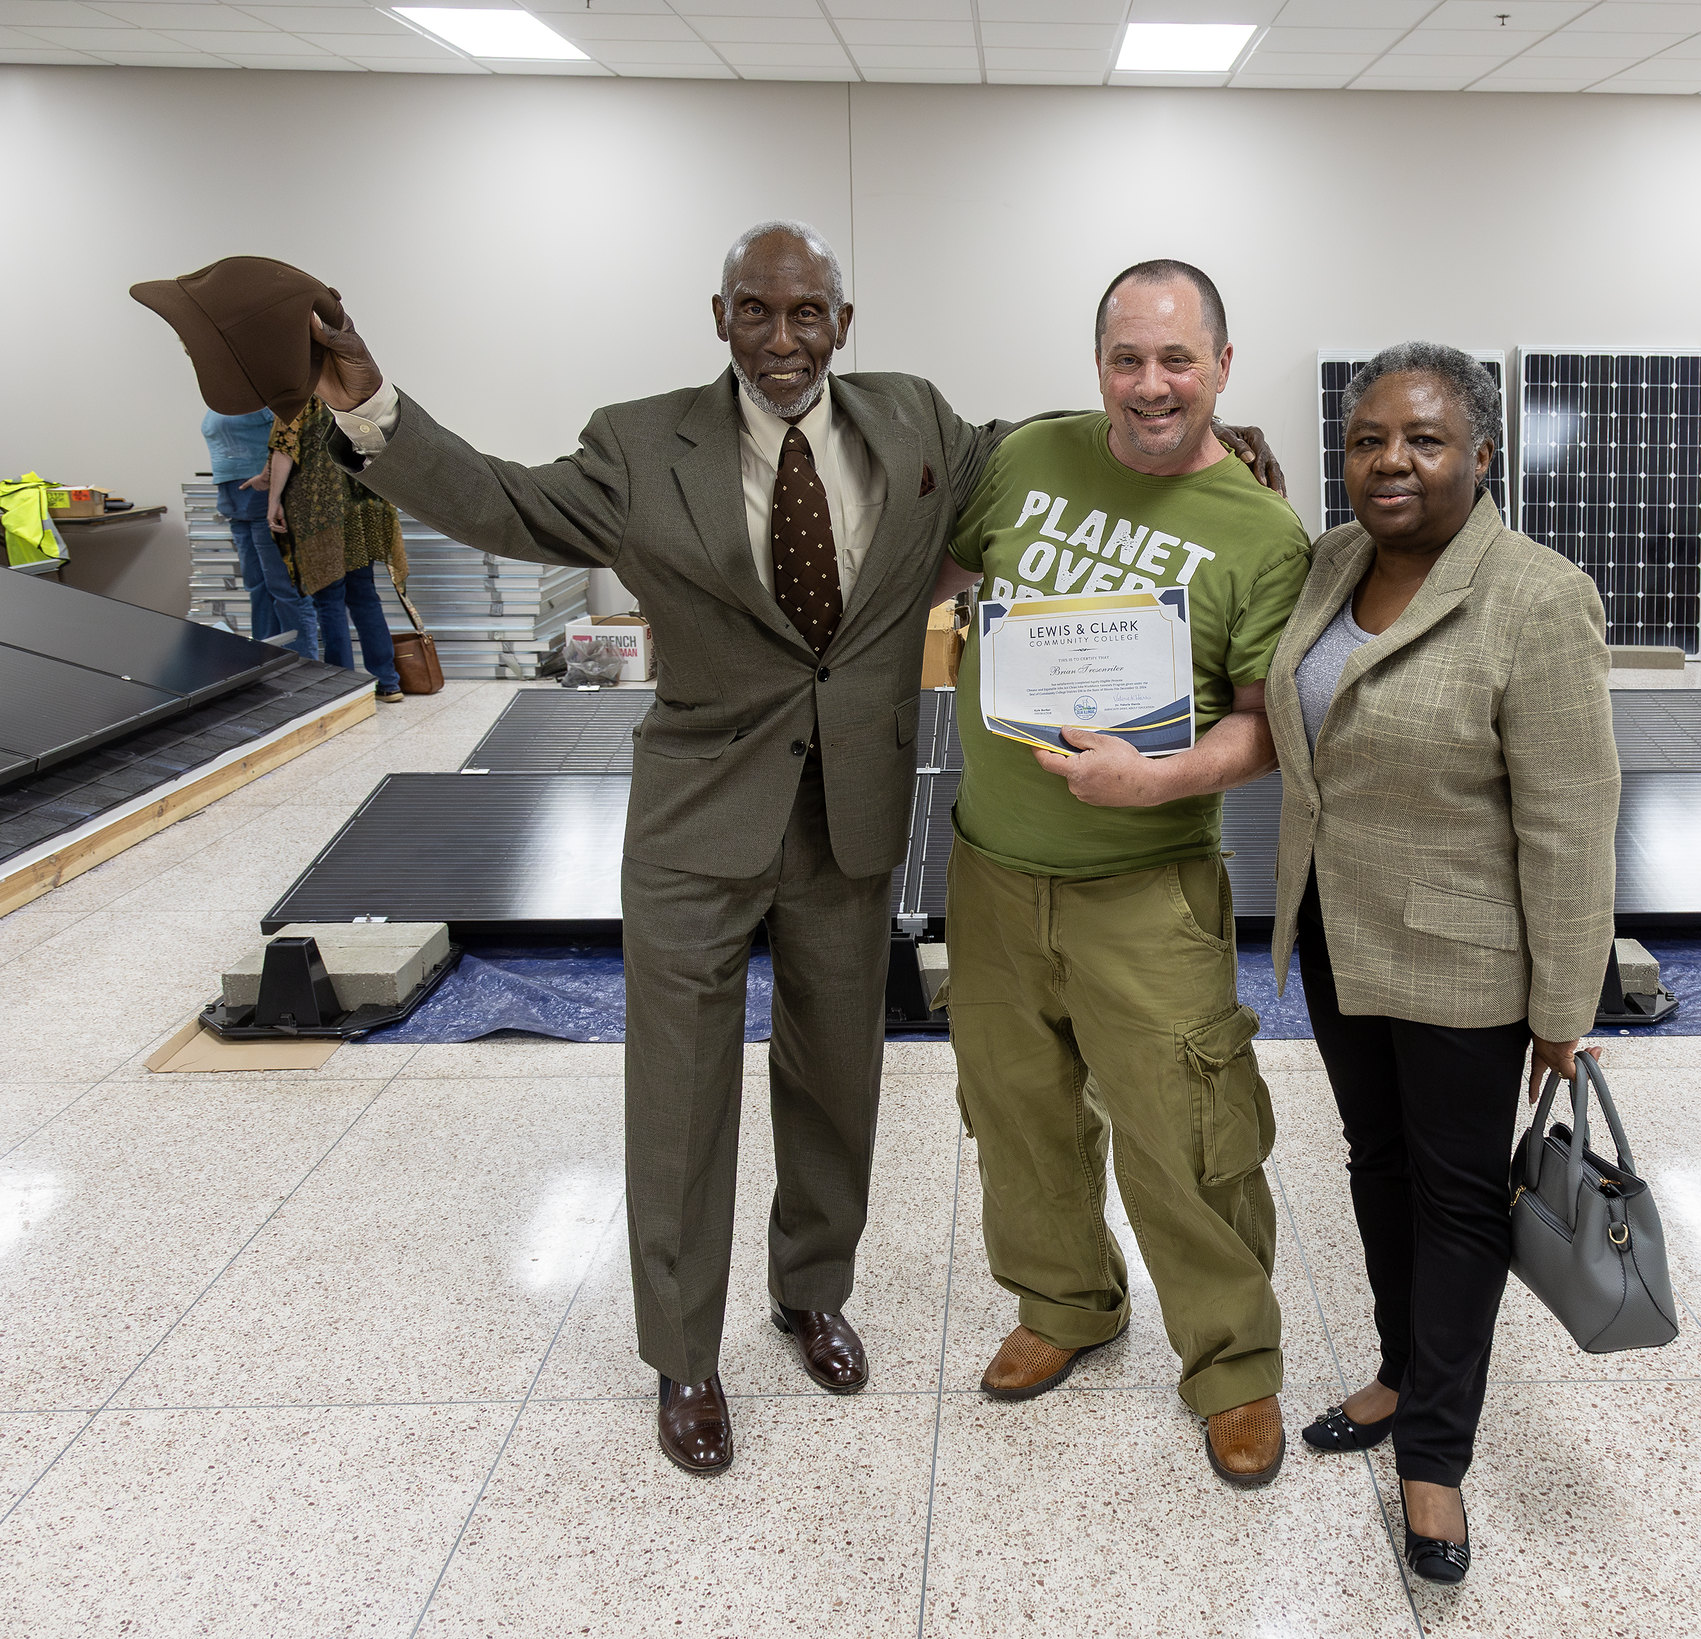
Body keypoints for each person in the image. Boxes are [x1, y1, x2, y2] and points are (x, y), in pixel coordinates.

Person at [301, 222, 1285, 1479]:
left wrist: (1215, 440)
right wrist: (371, 409)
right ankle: (688, 1357)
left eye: (806, 313)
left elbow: (1091, 459)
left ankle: (815, 1293)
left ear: (843, 319)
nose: (782, 338)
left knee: (843, 1080)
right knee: (689, 1093)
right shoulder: (640, 442)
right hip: (708, 822)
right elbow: (503, 500)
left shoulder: (915, 422)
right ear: (719, 318)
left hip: (862, 821)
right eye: (756, 313)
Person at [931, 260, 1310, 1490]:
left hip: (1146, 885)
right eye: (1126, 359)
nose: (1151, 386)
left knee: (1187, 1133)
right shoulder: (1026, 459)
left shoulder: (1260, 533)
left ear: (1221, 366)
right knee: (1015, 1114)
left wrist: (1151, 782)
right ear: (1096, 362)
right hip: (989, 873)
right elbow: (930, 586)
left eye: (1176, 360)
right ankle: (1064, 1304)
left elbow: (1265, 724)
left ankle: (1232, 1364)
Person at [1263, 343, 1620, 1583]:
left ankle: (1434, 1453)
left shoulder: (1536, 595)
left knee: (1459, 1199)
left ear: (1481, 453)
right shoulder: (1330, 560)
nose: (1389, 461)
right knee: (1376, 1163)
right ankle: (1397, 1365)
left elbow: (1570, 819)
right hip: (1336, 936)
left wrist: (1564, 1006)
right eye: (1367, 439)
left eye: (1421, 439)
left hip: (1469, 955)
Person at [266, 399, 405, 700]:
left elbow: (284, 449)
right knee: (364, 595)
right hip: (361, 507)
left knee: (330, 600)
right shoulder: (353, 394)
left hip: (320, 511)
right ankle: (388, 681)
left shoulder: (295, 399)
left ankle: (343, 690)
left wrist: (273, 499)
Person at [200, 407, 317, 659]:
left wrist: (270, 477)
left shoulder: (260, 396)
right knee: (257, 587)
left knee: (285, 588)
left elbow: (286, 439)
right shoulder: (222, 398)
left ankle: (304, 669)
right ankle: (266, 664)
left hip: (262, 496)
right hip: (234, 499)